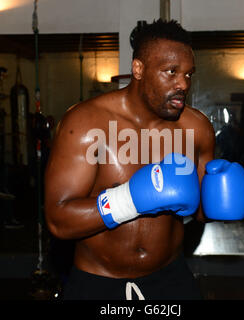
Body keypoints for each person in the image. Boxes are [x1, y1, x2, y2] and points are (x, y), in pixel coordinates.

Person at [44, 19, 215, 300]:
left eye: (188, 74)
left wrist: (218, 202)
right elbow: (58, 220)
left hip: (170, 280)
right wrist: (130, 200)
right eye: (171, 72)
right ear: (138, 69)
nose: (183, 83)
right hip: (97, 283)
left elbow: (200, 212)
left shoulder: (196, 129)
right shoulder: (86, 123)